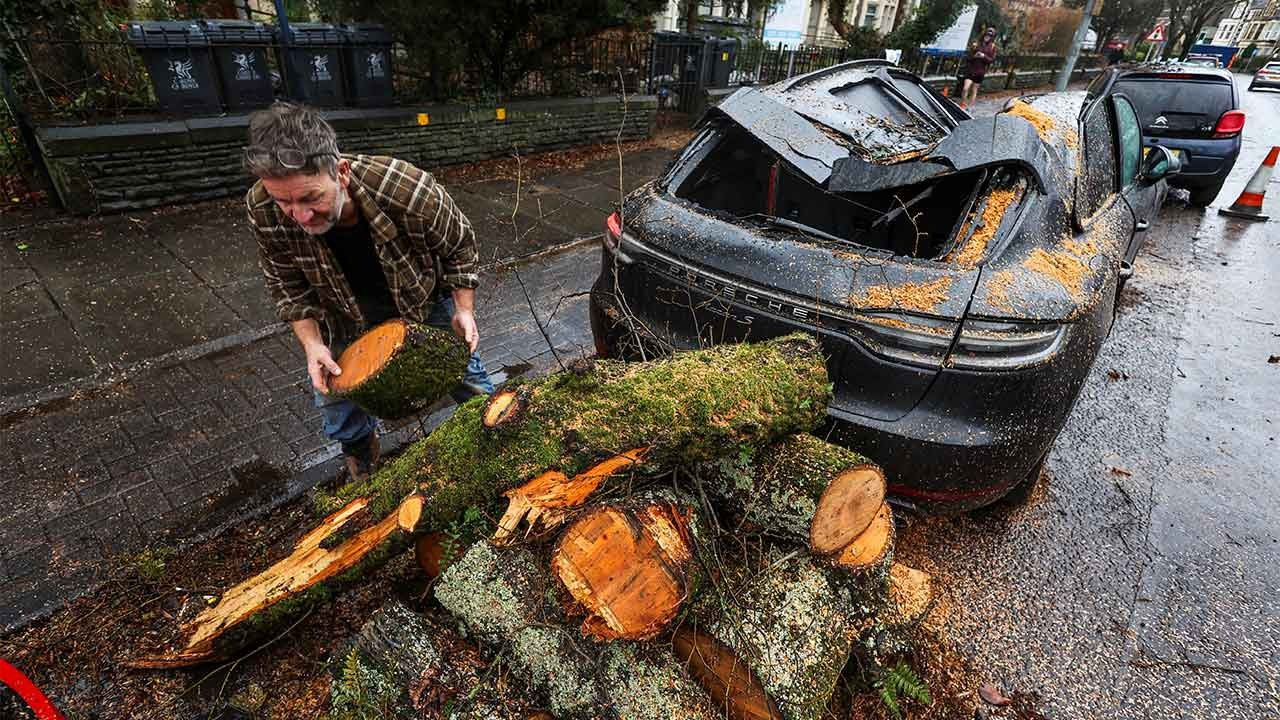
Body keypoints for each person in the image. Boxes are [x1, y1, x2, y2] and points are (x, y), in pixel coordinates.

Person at [243, 101, 494, 483]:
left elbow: (460, 245)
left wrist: (464, 309)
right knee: (336, 405)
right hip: (339, 316)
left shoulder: (407, 189)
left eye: (311, 198)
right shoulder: (261, 208)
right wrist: (312, 346)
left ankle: (496, 440)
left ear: (341, 172)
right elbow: (286, 286)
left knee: (472, 382)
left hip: (421, 302)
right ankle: (361, 459)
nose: (300, 215)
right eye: (284, 201)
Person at [962, 27, 998, 109]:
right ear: (984, 35)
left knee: (974, 90)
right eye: (986, 35)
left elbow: (991, 60)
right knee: (965, 88)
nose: (987, 37)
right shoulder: (976, 43)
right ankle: (963, 104)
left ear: (992, 37)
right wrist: (975, 56)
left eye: (989, 36)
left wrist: (984, 56)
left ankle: (969, 107)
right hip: (971, 69)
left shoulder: (993, 47)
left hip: (980, 71)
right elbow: (968, 56)